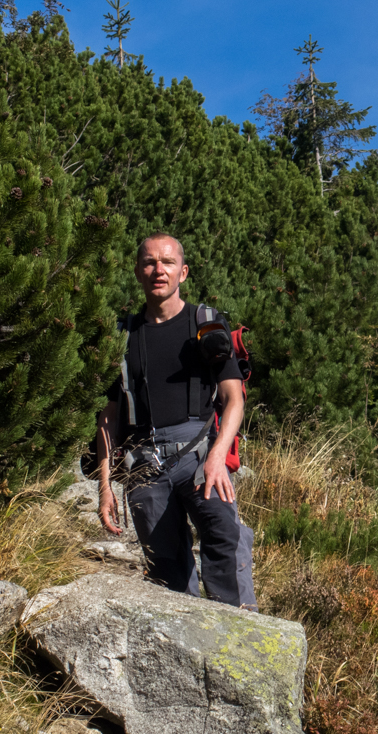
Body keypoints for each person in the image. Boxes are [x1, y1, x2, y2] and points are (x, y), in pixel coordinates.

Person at [95, 232, 256, 609]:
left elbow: (234, 400)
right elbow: (109, 416)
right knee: (167, 575)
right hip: (143, 464)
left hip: (199, 455)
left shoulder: (204, 323)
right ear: (137, 271)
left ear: (182, 272)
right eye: (149, 262)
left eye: (167, 262)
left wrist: (217, 457)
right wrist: (104, 485)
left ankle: (241, 643)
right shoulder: (121, 336)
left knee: (225, 537)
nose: (158, 270)